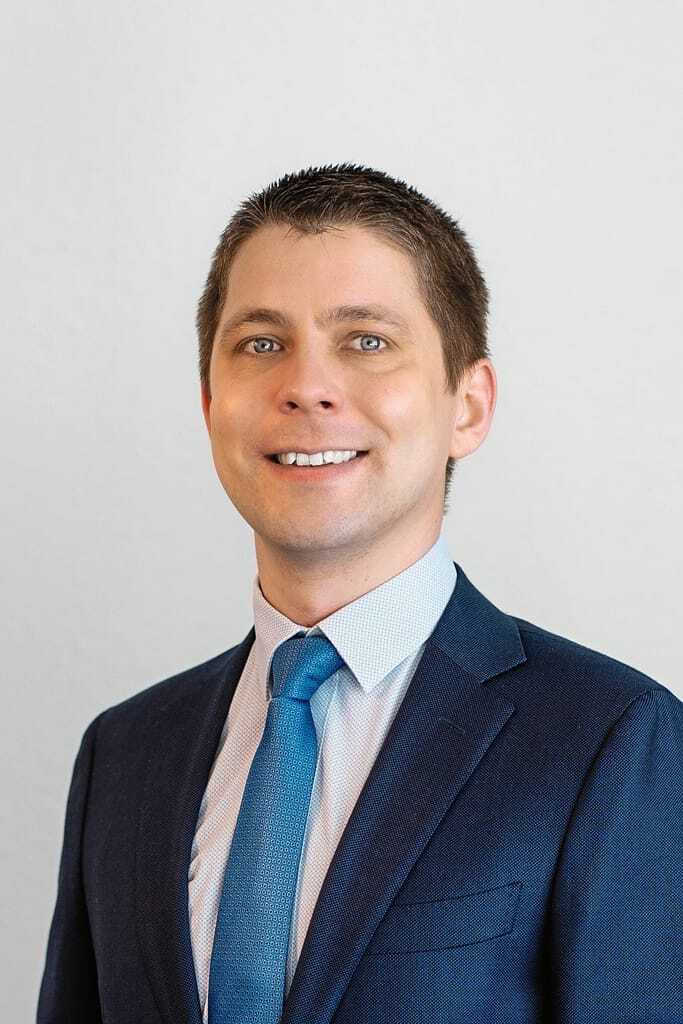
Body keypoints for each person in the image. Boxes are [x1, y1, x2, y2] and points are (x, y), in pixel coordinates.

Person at [37, 163, 683, 1024]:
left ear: (468, 404)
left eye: (367, 340)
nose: (305, 385)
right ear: (209, 403)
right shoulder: (122, 755)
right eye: (260, 343)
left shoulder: (611, 737)